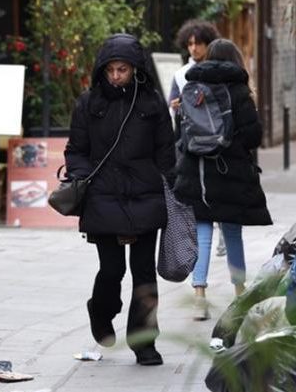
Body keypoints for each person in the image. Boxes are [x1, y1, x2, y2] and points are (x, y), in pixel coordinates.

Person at [64, 34, 175, 366]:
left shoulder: (152, 103)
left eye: (122, 69)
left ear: (135, 69)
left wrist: (169, 183)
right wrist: (82, 176)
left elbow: (166, 151)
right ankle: (100, 311)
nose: (115, 76)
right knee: (112, 269)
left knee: (144, 273)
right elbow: (76, 150)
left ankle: (144, 343)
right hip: (103, 196)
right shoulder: (88, 103)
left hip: (145, 195)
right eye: (110, 70)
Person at [173, 38, 272, 320]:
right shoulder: (238, 90)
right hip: (230, 172)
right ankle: (239, 293)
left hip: (198, 173)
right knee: (231, 232)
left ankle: (199, 297)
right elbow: (253, 136)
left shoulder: (193, 88)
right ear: (234, 59)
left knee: (202, 234)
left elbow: (182, 134)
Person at [169, 20, 226, 258]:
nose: (193, 48)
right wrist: (177, 105)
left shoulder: (219, 70)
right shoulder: (180, 74)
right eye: (190, 43)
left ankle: (223, 231)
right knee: (195, 193)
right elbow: (172, 104)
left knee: (218, 189)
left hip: (216, 139)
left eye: (199, 43)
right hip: (191, 141)